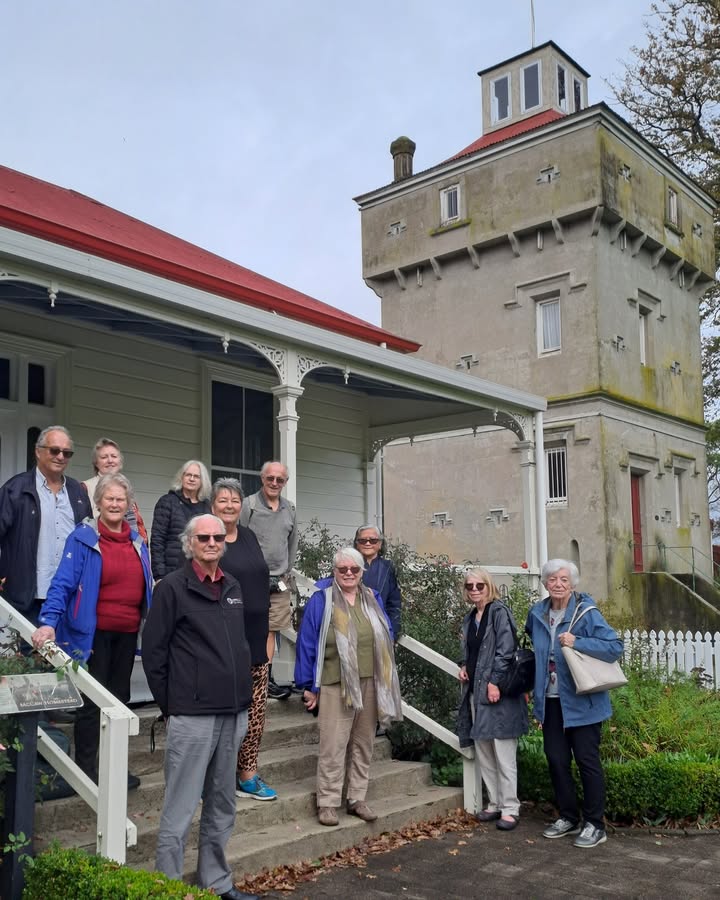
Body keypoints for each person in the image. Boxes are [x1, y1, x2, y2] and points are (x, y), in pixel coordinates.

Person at [142, 514, 257, 900]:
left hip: (233, 713)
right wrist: (172, 706)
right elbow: (154, 654)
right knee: (180, 807)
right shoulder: (172, 589)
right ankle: (168, 888)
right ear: (189, 543)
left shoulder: (233, 586)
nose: (211, 543)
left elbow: (239, 644)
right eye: (203, 537)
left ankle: (216, 883)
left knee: (222, 805)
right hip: (192, 716)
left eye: (217, 537)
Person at [31, 473, 153, 785]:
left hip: (127, 634)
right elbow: (62, 583)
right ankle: (85, 771)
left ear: (128, 504)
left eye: (120, 499)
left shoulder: (138, 542)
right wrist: (48, 622)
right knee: (91, 703)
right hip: (92, 634)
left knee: (120, 700)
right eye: (109, 498)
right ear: (98, 502)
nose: (115, 504)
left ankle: (114, 770)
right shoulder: (83, 538)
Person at [294, 547, 402, 827]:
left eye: (354, 569)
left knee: (363, 743)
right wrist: (308, 685)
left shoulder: (373, 598)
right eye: (343, 569)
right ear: (335, 571)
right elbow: (307, 642)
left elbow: (386, 632)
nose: (349, 573)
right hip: (334, 682)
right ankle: (328, 802)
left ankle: (357, 798)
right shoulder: (322, 600)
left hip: (370, 681)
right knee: (333, 744)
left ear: (362, 572)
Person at [525, 559, 624, 849]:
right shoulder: (536, 614)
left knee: (586, 761)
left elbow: (614, 647)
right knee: (556, 760)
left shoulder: (587, 613)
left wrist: (577, 641)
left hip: (584, 702)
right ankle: (568, 817)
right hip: (551, 702)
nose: (558, 584)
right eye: (552, 579)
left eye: (564, 580)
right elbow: (536, 650)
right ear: (545, 583)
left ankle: (595, 824)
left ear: (573, 584)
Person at [210, 477, 276, 802]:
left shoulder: (248, 536)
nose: (229, 505)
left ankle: (247, 774)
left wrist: (269, 631)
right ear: (212, 505)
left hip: (256, 636)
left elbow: (262, 582)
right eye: (223, 500)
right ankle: (216, 777)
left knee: (256, 711)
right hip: (223, 641)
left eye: (235, 500)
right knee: (223, 711)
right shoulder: (208, 539)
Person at [456, 567, 528, 831]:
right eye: (470, 586)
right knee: (484, 749)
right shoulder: (470, 618)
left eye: (480, 585)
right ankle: (495, 802)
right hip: (476, 692)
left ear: (489, 586)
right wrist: (463, 665)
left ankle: (510, 807)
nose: (474, 590)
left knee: (503, 751)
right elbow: (470, 651)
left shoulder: (499, 612)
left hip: (498, 693)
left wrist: (495, 681)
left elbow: (506, 650)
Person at [0, 426, 91, 624]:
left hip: (69, 597)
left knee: (66, 646)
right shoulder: (15, 489)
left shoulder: (78, 492)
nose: (61, 457)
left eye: (67, 453)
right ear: (38, 451)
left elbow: (88, 541)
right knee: (29, 646)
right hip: (27, 598)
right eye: (54, 450)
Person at [239, 461, 297, 696]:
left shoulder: (290, 509)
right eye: (270, 478)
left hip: (278, 581)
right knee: (248, 627)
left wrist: (286, 571)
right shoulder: (248, 505)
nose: (274, 483)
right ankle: (245, 676)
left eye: (279, 479)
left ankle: (265, 680)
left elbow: (292, 544)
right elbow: (239, 538)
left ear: (285, 482)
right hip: (251, 579)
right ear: (262, 478)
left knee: (271, 630)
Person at [150, 460, 211, 580]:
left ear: (202, 481)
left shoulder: (207, 507)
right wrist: (159, 575)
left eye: (196, 476)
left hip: (200, 573)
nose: (191, 479)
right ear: (181, 477)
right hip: (172, 572)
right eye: (188, 475)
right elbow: (157, 540)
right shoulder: (167, 501)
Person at [82, 437, 148, 541]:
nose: (110, 460)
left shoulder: (125, 486)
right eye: (104, 457)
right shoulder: (85, 488)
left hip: (129, 545)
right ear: (96, 462)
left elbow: (137, 524)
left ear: (120, 460)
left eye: (114, 456)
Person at [354, 524, 401, 638]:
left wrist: (393, 633)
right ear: (357, 544)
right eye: (362, 540)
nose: (368, 543)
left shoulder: (388, 567)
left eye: (373, 540)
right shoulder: (347, 566)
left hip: (380, 630)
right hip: (352, 627)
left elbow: (394, 603)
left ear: (380, 544)